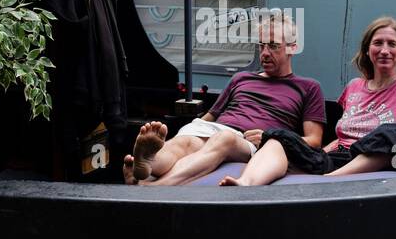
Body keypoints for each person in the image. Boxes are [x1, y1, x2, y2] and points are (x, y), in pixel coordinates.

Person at [220, 16, 396, 186]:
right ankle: (247, 185)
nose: (384, 49)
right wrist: (309, 151)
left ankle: (328, 182)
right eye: (377, 43)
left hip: (393, 157)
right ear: (367, 50)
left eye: (392, 44)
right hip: (342, 156)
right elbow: (341, 138)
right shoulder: (354, 87)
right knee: (278, 137)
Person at [124, 15, 325, 186]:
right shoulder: (242, 78)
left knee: (224, 139)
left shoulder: (308, 87)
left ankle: (157, 188)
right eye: (261, 45)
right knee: (185, 141)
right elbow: (211, 117)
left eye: (273, 46)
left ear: (292, 47)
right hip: (216, 130)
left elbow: (314, 141)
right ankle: (149, 162)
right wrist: (194, 127)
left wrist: (271, 136)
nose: (264, 53)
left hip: (251, 142)